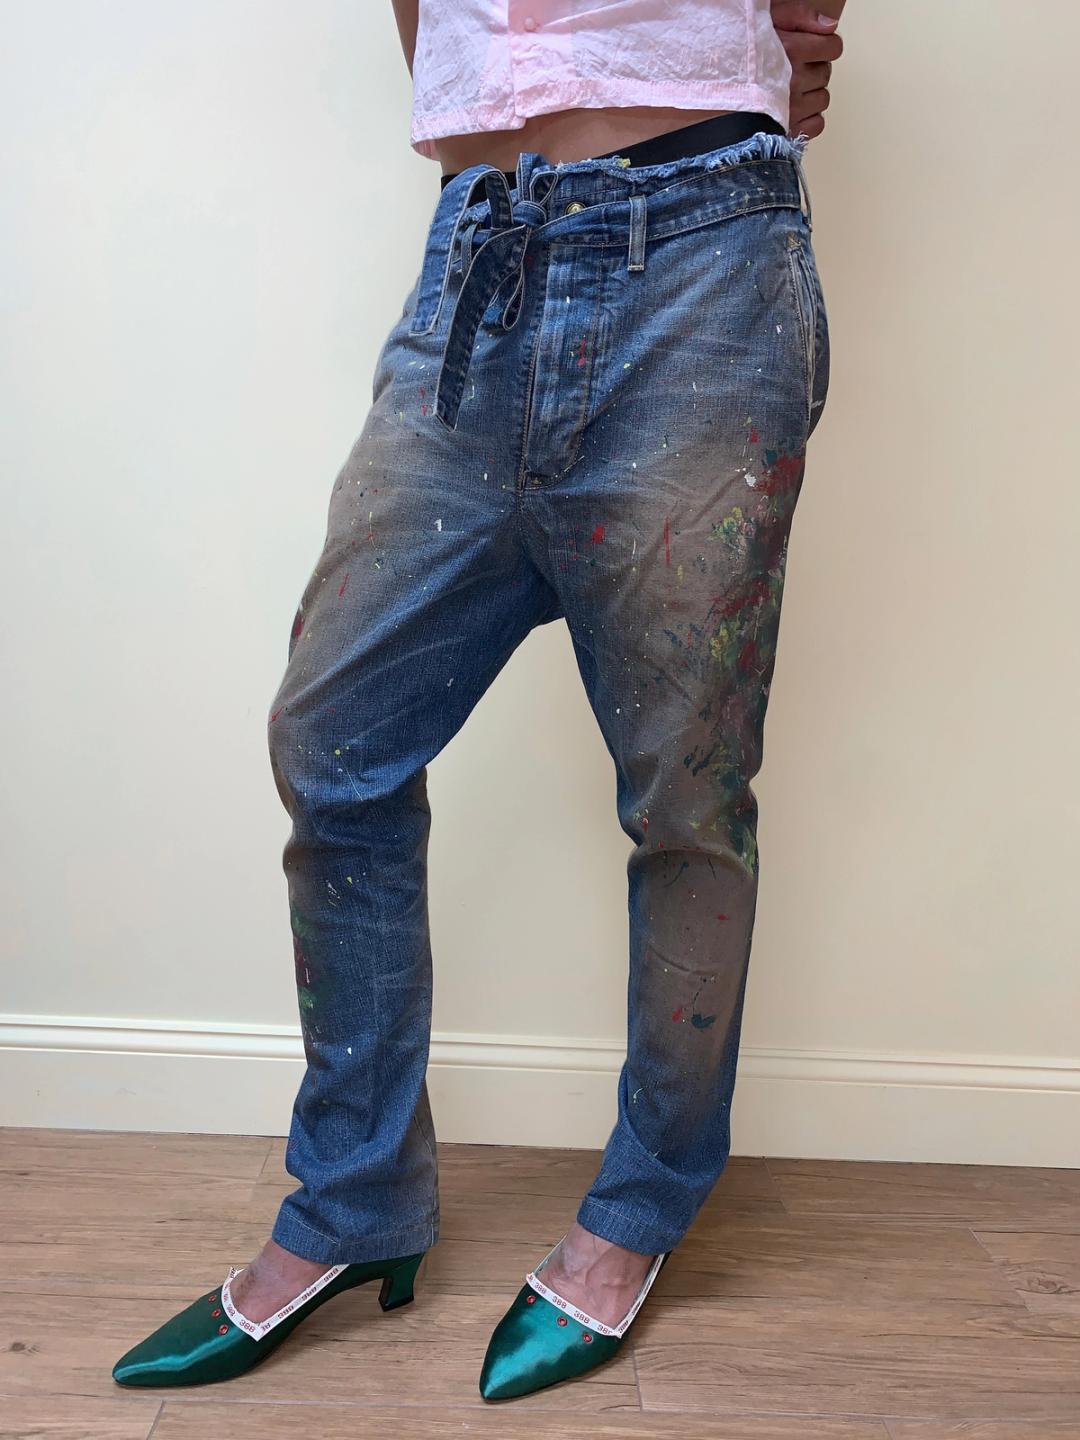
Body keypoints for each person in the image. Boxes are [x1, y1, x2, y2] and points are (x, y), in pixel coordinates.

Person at [113, 0, 844, 1401]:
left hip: (701, 254)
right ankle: (354, 1201)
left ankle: (644, 1200)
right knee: (333, 742)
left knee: (687, 794)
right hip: (478, 252)